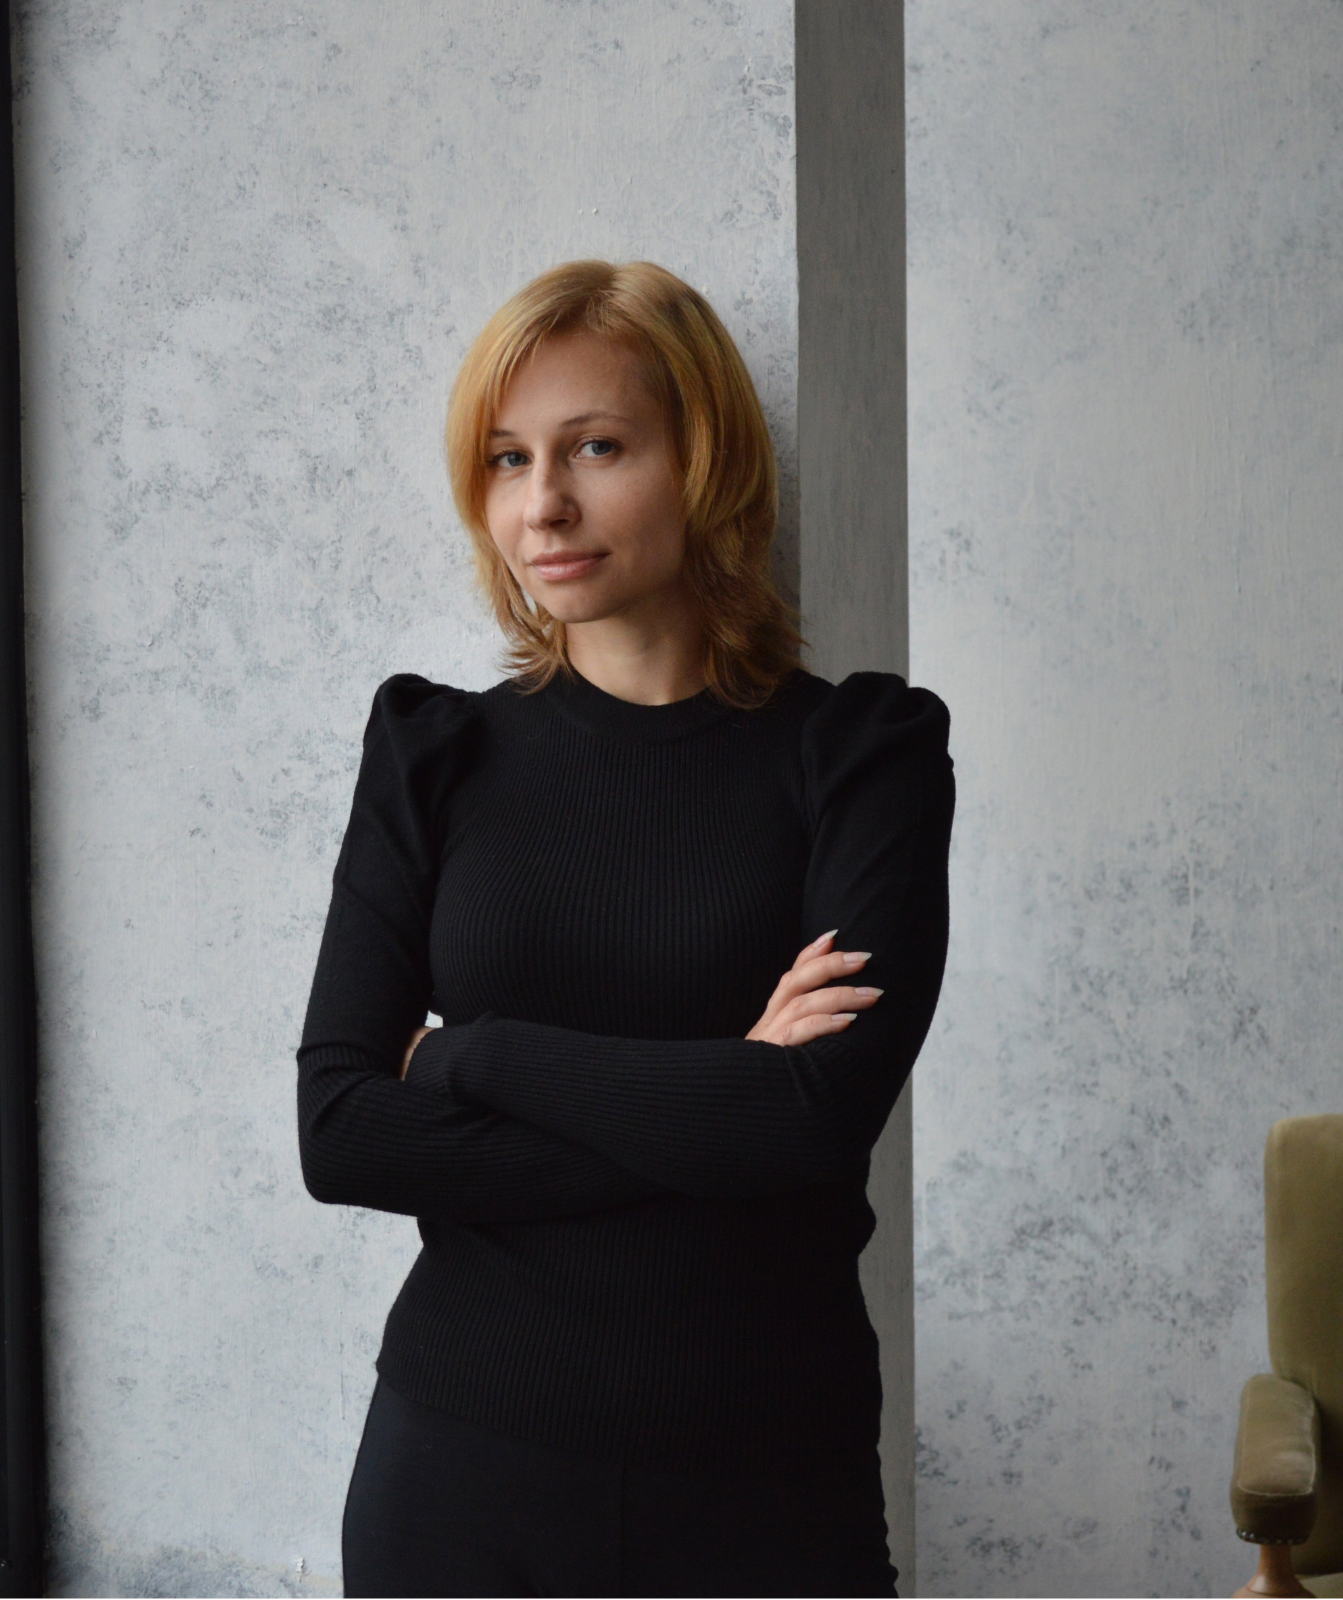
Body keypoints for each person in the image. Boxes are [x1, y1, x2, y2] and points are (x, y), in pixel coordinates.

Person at [296, 259, 953, 1598]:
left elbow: (812, 1121)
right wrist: (723, 1095)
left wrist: (469, 1055)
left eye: (596, 447)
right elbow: (343, 1130)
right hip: (458, 1479)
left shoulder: (862, 756)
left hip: (767, 1493)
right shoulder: (434, 752)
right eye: (507, 459)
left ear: (706, 462)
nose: (542, 503)